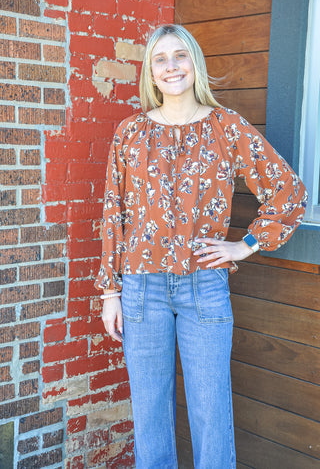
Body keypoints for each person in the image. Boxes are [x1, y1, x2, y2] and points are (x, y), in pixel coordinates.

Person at [95, 24, 307, 468]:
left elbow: (288, 191)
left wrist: (243, 246)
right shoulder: (129, 133)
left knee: (211, 413)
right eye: (160, 59)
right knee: (149, 413)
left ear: (195, 64)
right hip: (140, 290)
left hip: (204, 289)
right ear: (150, 74)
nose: (171, 66)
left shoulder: (226, 126)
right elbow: (114, 213)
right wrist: (110, 292)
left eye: (180, 56)